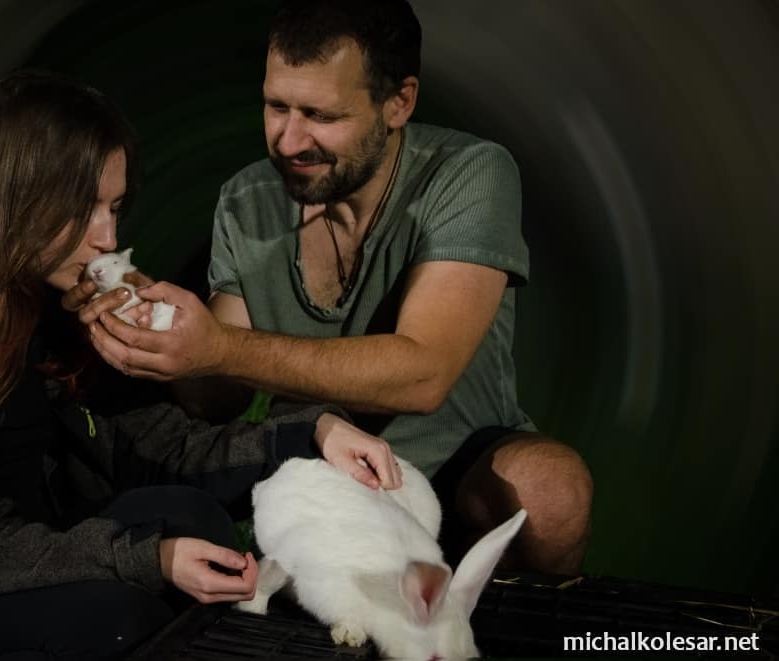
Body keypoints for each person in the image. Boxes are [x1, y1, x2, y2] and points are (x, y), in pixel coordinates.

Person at [0, 69, 402, 660]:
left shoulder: (69, 300)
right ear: (15, 198)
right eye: (84, 209)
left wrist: (311, 434)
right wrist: (149, 559)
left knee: (191, 518)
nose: (108, 239)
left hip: (49, 546)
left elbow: (163, 447)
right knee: (114, 616)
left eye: (114, 207)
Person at [65, 0, 593, 576]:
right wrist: (151, 319)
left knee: (551, 491)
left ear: (399, 102)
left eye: (321, 115)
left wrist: (219, 346)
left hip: (461, 468)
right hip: (322, 471)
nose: (289, 141)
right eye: (276, 107)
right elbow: (217, 397)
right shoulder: (245, 200)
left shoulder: (469, 172)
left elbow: (424, 375)